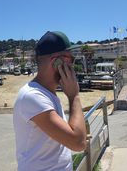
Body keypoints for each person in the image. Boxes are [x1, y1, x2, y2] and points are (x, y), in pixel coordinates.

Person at [12, 31, 87, 171]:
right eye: (70, 59)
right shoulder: (32, 97)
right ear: (56, 62)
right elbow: (78, 143)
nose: (72, 64)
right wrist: (74, 96)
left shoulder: (47, 94)